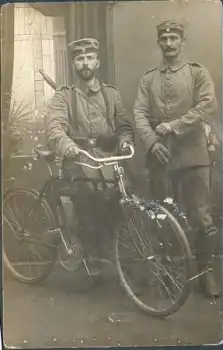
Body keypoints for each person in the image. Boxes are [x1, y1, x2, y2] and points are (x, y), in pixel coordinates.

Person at [133, 20, 219, 298]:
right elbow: (139, 114)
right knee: (162, 215)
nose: (169, 43)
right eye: (164, 39)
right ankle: (167, 272)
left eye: (174, 38)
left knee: (201, 216)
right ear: (158, 43)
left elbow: (208, 105)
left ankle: (206, 274)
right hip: (160, 156)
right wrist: (152, 141)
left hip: (193, 154)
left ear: (183, 41)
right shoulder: (148, 79)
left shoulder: (197, 73)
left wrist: (175, 125)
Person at [46, 38, 134, 270]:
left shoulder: (112, 95)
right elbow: (55, 128)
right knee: (87, 202)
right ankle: (91, 257)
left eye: (89, 58)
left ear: (97, 62)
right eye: (80, 59)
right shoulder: (64, 96)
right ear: (74, 64)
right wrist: (68, 147)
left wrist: (125, 143)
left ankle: (116, 255)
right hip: (79, 160)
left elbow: (124, 127)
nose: (85, 63)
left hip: (107, 158)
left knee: (123, 198)